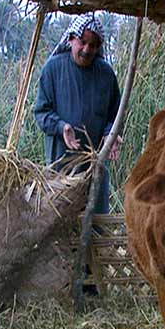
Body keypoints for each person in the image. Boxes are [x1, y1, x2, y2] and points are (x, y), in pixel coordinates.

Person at [34, 13, 122, 215]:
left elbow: (115, 114)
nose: (86, 50)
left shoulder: (106, 74)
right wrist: (61, 126)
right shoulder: (53, 69)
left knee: (95, 221)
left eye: (93, 45)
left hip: (95, 165)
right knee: (62, 220)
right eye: (82, 43)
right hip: (62, 164)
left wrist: (110, 132)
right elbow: (42, 112)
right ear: (72, 39)